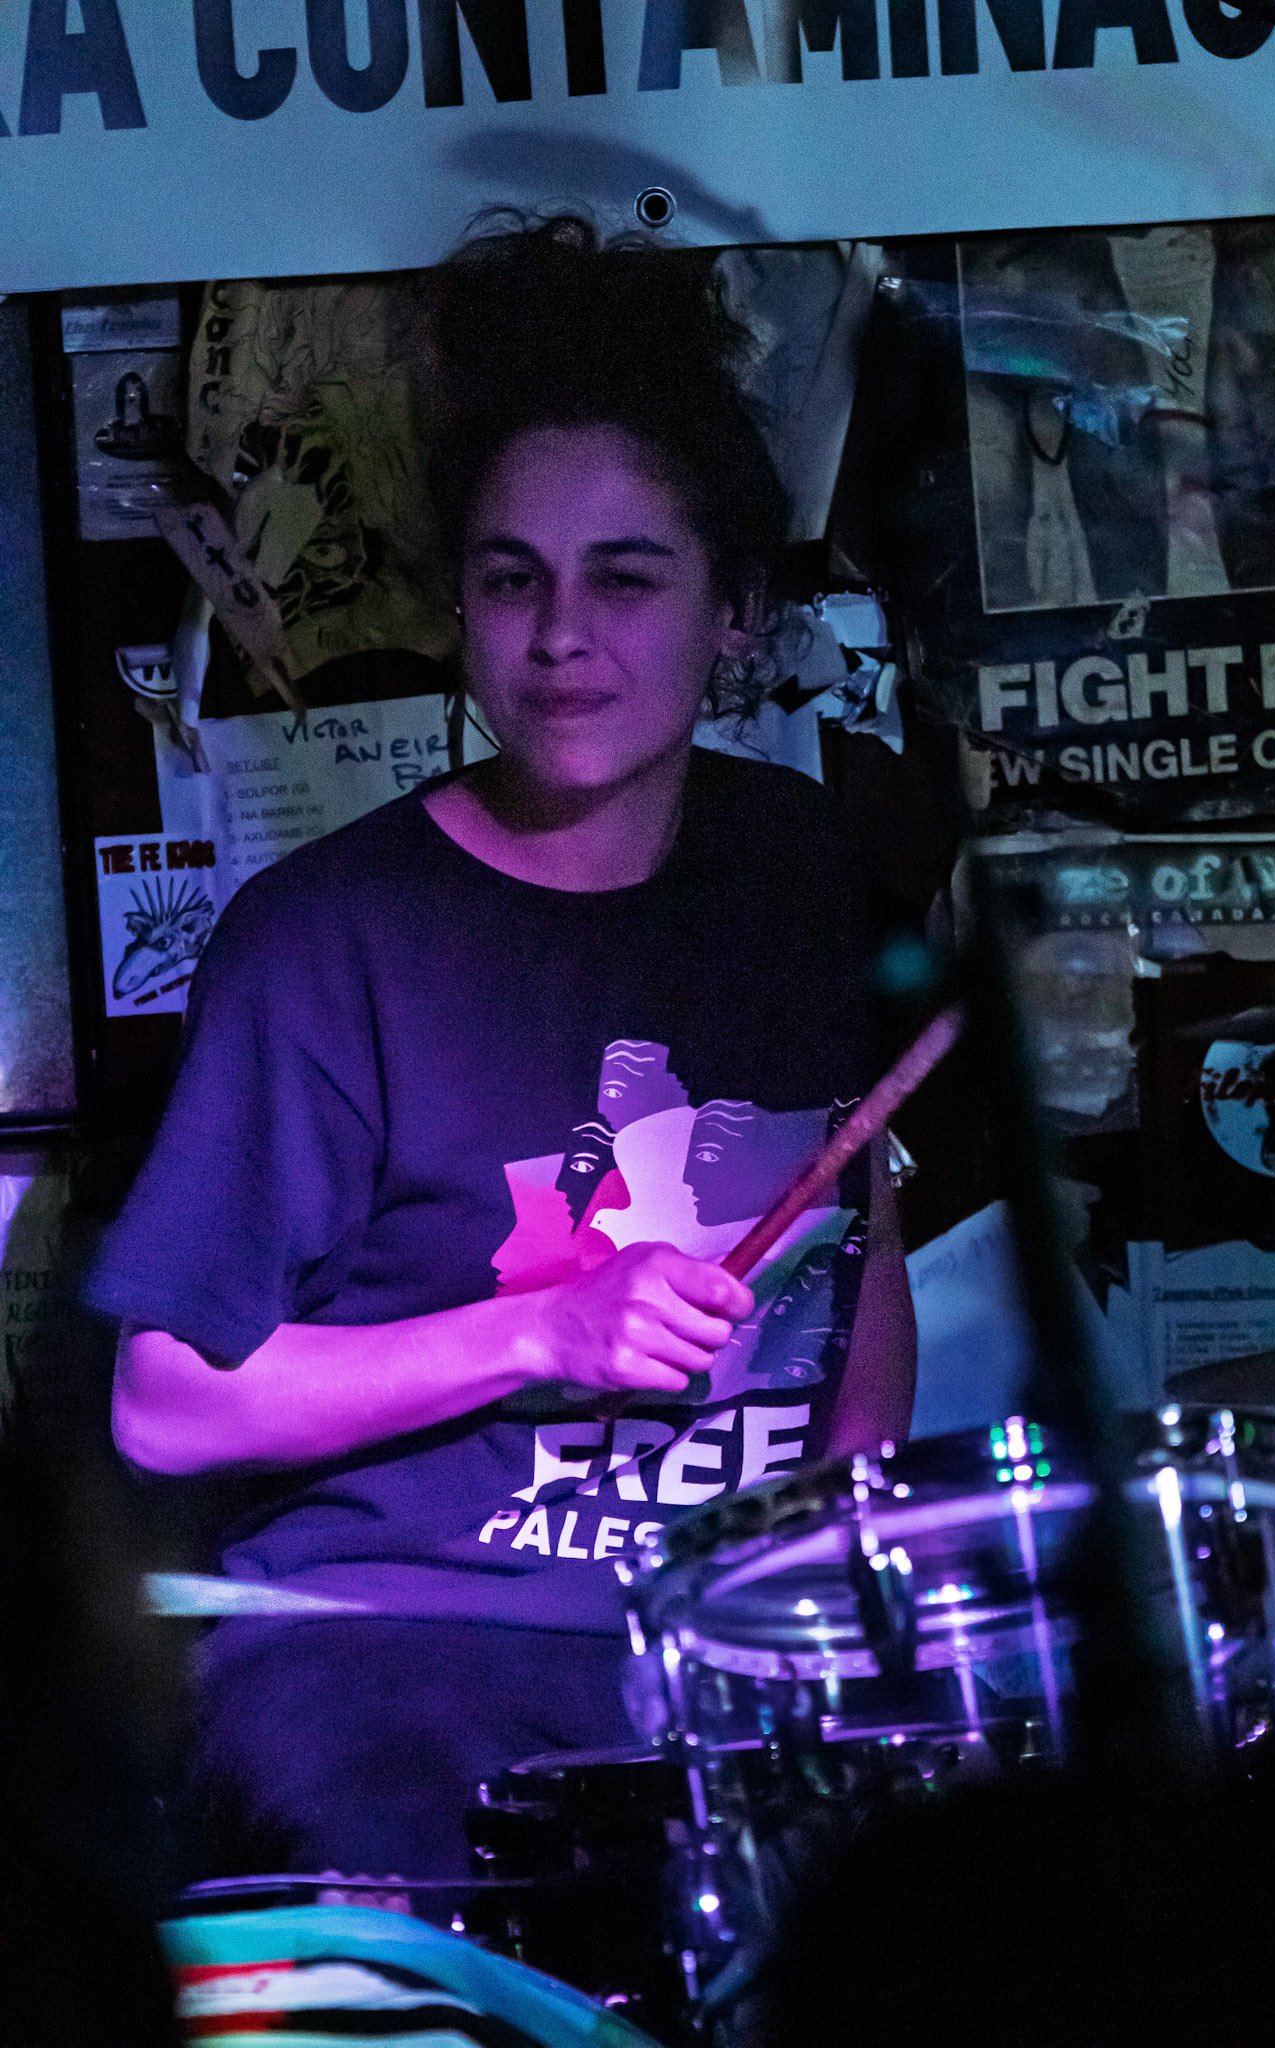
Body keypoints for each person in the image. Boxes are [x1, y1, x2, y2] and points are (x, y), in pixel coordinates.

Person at [81, 217, 916, 1890]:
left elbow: (859, 1258)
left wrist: (831, 1566)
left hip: (721, 1628)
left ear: (738, 611)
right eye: (512, 578)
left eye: (627, 578)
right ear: (460, 606)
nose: (559, 637)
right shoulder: (331, 938)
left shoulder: (806, 867)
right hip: (389, 1638)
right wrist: (544, 1328)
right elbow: (165, 1405)